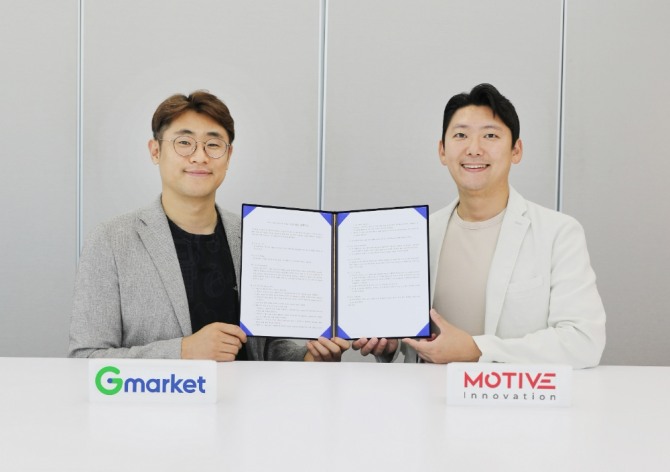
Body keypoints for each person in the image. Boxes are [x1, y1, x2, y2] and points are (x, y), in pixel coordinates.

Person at [69, 90, 349, 362]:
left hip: (248, 396)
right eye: (184, 142)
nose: (200, 157)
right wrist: (183, 351)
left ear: (228, 156)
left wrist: (310, 358)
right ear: (155, 151)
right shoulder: (111, 241)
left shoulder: (252, 238)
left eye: (213, 145)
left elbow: (265, 350)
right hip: (162, 397)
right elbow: (85, 358)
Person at [353, 83, 605, 368]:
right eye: (461, 135)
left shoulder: (558, 234)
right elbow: (410, 337)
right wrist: (391, 344)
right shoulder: (419, 235)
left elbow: (583, 341)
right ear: (442, 151)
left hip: (516, 396)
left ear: (516, 150)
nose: (474, 149)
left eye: (490, 135)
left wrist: (476, 349)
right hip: (427, 394)